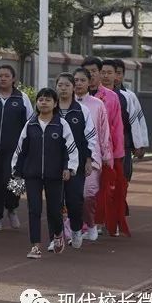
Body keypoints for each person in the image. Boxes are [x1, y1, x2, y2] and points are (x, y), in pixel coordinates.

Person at [12, 87, 79, 259]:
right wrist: (16, 172)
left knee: (54, 211)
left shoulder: (61, 124)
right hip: (32, 174)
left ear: (55, 103)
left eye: (48, 99)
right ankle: (35, 246)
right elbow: (21, 150)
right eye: (40, 99)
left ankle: (58, 235)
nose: (43, 102)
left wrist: (69, 168)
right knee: (34, 210)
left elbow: (70, 149)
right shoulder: (30, 124)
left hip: (55, 175)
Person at [0, 65, 33, 231]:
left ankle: (12, 208)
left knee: (14, 181)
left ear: (13, 78)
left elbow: (30, 123)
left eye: (7, 76)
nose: (3, 78)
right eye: (0, 76)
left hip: (15, 151)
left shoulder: (22, 98)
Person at [82, 56, 127, 237]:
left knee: (102, 191)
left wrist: (116, 155)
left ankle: (98, 223)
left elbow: (117, 127)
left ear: (100, 73)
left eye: (94, 71)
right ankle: (86, 224)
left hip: (104, 151)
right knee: (84, 191)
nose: (91, 75)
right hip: (80, 151)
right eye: (88, 71)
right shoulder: (75, 96)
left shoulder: (111, 97)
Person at [55, 73, 98, 250]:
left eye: (67, 85)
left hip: (76, 163)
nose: (63, 88)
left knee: (74, 200)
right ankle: (56, 236)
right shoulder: (50, 108)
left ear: (73, 88)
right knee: (55, 201)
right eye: (60, 85)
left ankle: (76, 230)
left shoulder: (81, 110)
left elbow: (90, 137)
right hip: (53, 163)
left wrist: (88, 160)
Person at [73, 67, 112, 242]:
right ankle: (74, 227)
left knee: (88, 194)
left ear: (90, 83)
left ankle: (90, 224)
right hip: (69, 158)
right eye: (76, 80)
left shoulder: (98, 104)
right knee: (71, 196)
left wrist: (106, 155)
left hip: (92, 158)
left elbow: (104, 132)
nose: (79, 83)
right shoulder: (65, 104)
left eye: (82, 80)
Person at [110, 58, 149, 182]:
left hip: (125, 144)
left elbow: (138, 120)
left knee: (123, 178)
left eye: (119, 73)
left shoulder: (129, 96)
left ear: (123, 75)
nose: (115, 76)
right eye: (112, 72)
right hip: (105, 146)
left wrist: (140, 144)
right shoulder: (99, 95)